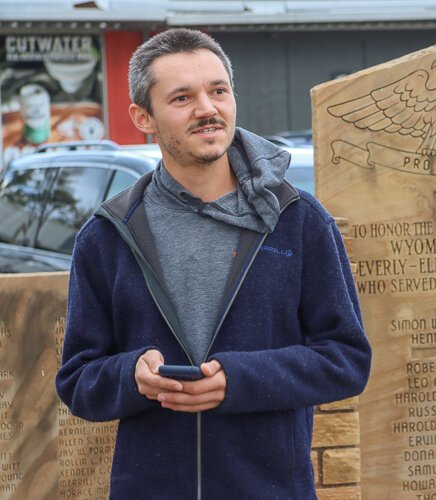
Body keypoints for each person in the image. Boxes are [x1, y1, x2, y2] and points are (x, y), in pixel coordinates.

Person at [55, 28, 371, 499]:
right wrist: (131, 375)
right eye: (182, 97)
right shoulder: (108, 234)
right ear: (144, 117)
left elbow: (346, 360)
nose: (207, 108)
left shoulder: (298, 220)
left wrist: (239, 381)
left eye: (218, 90)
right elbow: (79, 380)